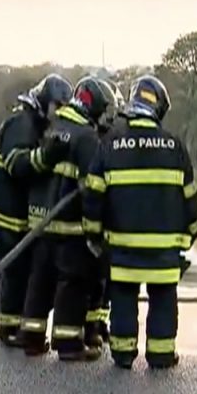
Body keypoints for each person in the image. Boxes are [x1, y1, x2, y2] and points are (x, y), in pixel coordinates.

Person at [83, 74, 197, 370]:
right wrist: (190, 236)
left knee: (122, 298)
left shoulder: (110, 144)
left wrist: (94, 235)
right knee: (163, 299)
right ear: (159, 107)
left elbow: (93, 194)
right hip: (165, 253)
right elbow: (190, 198)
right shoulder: (175, 147)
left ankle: (122, 354)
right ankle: (161, 355)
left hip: (122, 248)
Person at [18, 75, 118, 360]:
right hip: (72, 228)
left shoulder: (56, 127)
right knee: (72, 284)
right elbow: (92, 188)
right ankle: (69, 344)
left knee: (40, 281)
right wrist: (95, 230)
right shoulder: (86, 137)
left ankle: (32, 337)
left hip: (43, 223)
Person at [0, 73, 73, 346]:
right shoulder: (21, 123)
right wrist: (47, 156)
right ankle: (8, 328)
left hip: (20, 212)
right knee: (15, 270)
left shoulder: (35, 123)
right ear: (46, 101)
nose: (58, 113)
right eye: (57, 106)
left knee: (17, 270)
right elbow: (17, 164)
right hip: (9, 214)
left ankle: (7, 320)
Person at [84, 79, 126, 349]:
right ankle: (89, 328)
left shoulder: (108, 139)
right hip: (90, 224)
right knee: (92, 280)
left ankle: (99, 324)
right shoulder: (89, 139)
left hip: (108, 223)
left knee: (105, 281)